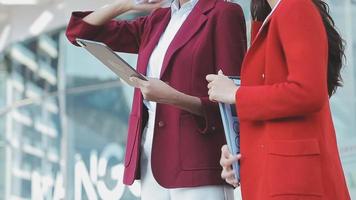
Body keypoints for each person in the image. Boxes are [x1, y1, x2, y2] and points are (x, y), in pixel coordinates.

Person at [66, 0, 247, 199]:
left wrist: (173, 98)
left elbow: (231, 103)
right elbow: (78, 32)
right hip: (150, 157)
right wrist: (128, 5)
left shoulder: (223, 13)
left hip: (197, 160)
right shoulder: (157, 20)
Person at [206, 0, 351, 199]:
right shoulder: (273, 15)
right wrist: (238, 150)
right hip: (276, 177)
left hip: (294, 180)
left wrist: (236, 94)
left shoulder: (295, 6)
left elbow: (308, 92)